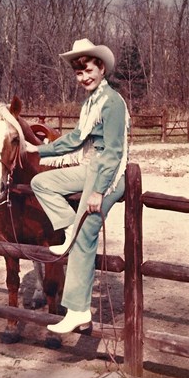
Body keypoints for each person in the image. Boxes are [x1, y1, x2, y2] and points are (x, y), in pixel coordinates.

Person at [26, 38, 130, 334]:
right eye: (78, 73)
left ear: (102, 68)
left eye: (88, 70)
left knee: (86, 237)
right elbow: (75, 139)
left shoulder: (111, 102)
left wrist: (98, 191)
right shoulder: (91, 102)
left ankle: (78, 310)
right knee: (41, 182)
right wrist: (38, 151)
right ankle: (69, 225)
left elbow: (113, 152)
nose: (84, 77)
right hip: (90, 168)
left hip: (109, 174)